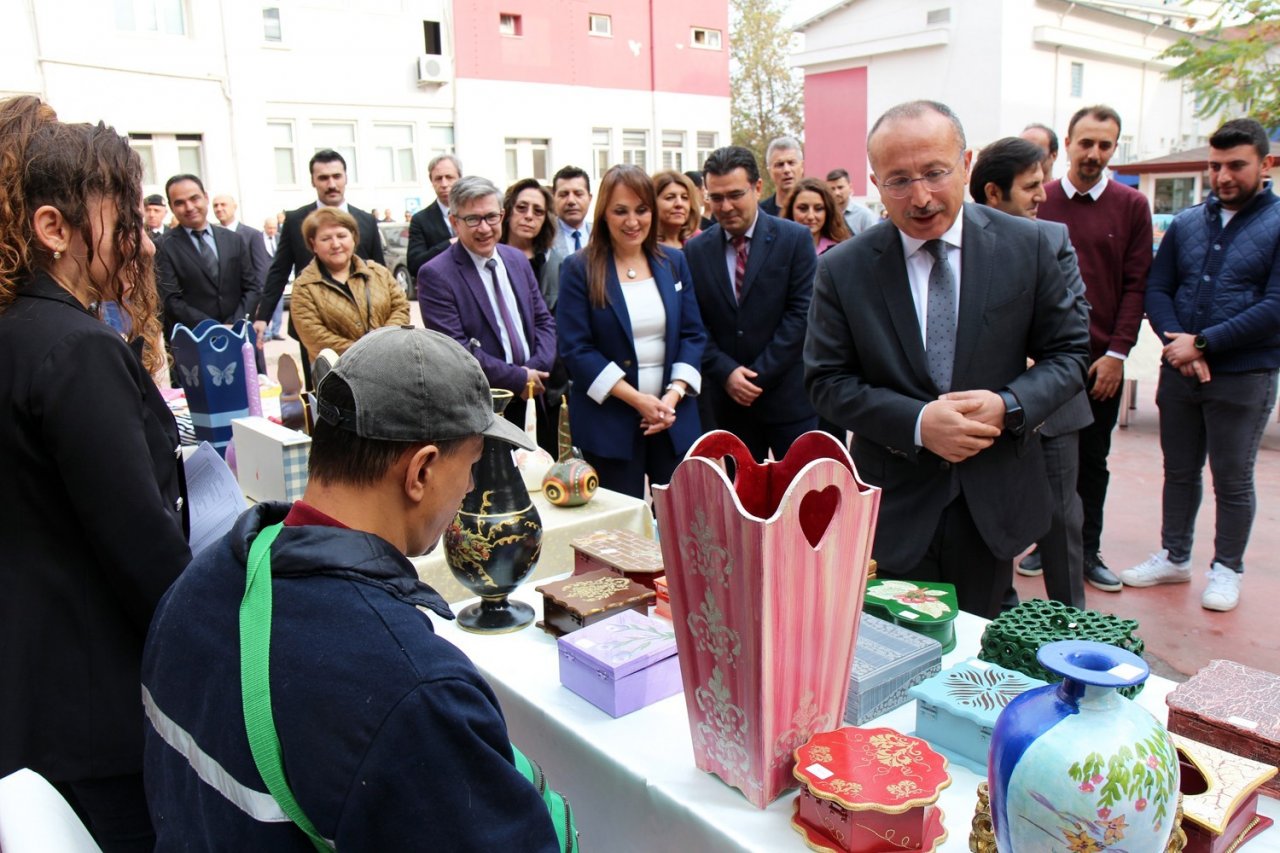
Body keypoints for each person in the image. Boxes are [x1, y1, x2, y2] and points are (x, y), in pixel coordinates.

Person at [142, 327, 565, 851]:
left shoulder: (193, 587)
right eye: (472, 466)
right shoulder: (414, 689)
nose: (472, 488)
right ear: (422, 470)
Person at [804, 100, 1090, 618]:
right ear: (875, 180)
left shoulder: (1030, 246)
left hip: (992, 497)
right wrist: (916, 422)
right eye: (898, 181)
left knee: (980, 661)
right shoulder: (843, 269)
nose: (920, 197)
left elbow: (1069, 354)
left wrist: (1009, 405)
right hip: (894, 502)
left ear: (966, 163)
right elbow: (826, 381)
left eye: (935, 173)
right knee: (893, 654)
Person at [0, 95, 191, 852]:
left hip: (38, 695)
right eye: (128, 223)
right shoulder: (76, 349)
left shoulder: (21, 331)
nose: (144, 247)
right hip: (97, 713)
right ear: (54, 228)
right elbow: (140, 548)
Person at [1120, 118, 1280, 612]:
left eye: (1236, 165)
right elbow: (1157, 288)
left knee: (1232, 477)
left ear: (1266, 164)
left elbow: (1275, 304)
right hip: (1180, 371)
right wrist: (1179, 347)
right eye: (1215, 165)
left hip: (1244, 375)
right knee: (1180, 470)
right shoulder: (1188, 222)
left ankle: (1227, 568)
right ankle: (1174, 557)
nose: (1223, 176)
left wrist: (1204, 345)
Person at [970, 136, 1093, 609]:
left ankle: (1070, 624)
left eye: (1042, 183)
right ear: (993, 193)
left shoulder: (1053, 238)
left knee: (1062, 522)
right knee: (986, 521)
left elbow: (1074, 325)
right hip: (981, 411)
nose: (1043, 195)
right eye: (1030, 187)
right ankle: (1001, 616)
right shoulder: (958, 245)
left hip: (1052, 409)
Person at [1039, 105, 1152, 592]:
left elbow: (1136, 285)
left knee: (1092, 461)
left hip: (1100, 364)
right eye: (1086, 142)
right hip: (1042, 362)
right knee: (1039, 457)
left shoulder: (1131, 206)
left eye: (1104, 145)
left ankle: (1087, 549)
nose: (1094, 153)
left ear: (1114, 148)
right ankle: (1041, 542)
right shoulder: (1039, 201)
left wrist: (1118, 354)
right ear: (1068, 143)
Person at [557, 164, 706, 498]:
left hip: (672, 419)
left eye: (641, 210)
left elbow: (693, 334)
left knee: (681, 521)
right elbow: (575, 349)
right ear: (604, 214)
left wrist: (671, 398)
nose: (632, 221)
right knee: (619, 534)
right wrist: (639, 401)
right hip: (609, 423)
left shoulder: (674, 262)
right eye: (620, 211)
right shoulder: (578, 268)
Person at [684, 145, 818, 462]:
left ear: (757, 188)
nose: (726, 206)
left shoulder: (794, 239)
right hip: (728, 407)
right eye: (716, 198)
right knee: (738, 502)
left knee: (802, 499)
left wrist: (756, 376)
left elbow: (802, 314)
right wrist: (727, 372)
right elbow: (694, 323)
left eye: (735, 194)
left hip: (788, 399)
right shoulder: (696, 250)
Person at [419, 176, 558, 453]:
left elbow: (543, 321)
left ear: (502, 216)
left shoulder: (516, 259)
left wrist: (535, 370)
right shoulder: (436, 274)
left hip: (534, 398)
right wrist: (518, 378)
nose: (484, 228)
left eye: (491, 217)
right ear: (454, 221)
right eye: (473, 219)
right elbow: (457, 350)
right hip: (485, 410)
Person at [253, 150, 385, 386]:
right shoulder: (295, 220)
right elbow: (279, 270)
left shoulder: (366, 220)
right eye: (323, 178)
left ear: (346, 177)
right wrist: (263, 316)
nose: (331, 184)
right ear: (313, 181)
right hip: (316, 329)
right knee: (324, 394)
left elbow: (381, 275)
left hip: (368, 332)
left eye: (337, 176)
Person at [289, 207, 410, 363]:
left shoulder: (379, 273)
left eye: (341, 236)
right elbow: (314, 337)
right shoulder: (304, 286)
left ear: (353, 237)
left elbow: (400, 308)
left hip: (389, 366)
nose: (335, 244)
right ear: (313, 244)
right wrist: (365, 354)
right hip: (337, 378)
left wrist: (382, 345)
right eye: (326, 239)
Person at [156, 174, 263, 335]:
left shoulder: (233, 239)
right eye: (180, 203)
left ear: (206, 198)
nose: (189, 207)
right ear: (171, 207)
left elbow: (251, 287)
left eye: (194, 198)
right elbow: (171, 300)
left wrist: (236, 324)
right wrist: (214, 328)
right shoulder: (164, 246)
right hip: (194, 340)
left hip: (239, 335)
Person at [500, 177, 567, 312]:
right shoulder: (490, 257)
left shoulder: (556, 263)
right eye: (521, 208)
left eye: (538, 211)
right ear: (507, 212)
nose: (529, 216)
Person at [408, 153, 461, 277]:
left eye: (449, 177)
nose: (444, 184)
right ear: (431, 181)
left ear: (460, 178)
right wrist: (450, 244)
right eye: (438, 178)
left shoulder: (476, 213)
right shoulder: (420, 220)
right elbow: (415, 265)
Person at [211, 193, 271, 284]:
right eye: (215, 206)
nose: (219, 209)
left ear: (234, 207)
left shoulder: (252, 235)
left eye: (223, 205)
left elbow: (261, 270)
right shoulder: (211, 235)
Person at [783, 177, 851, 254]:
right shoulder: (778, 249)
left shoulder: (840, 250)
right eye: (803, 208)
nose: (810, 216)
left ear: (828, 211)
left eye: (818, 209)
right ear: (791, 210)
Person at [653, 169, 702, 249]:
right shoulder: (643, 247)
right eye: (670, 197)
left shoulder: (701, 243)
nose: (679, 204)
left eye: (684, 197)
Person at [552, 165, 593, 254]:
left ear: (589, 199)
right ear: (553, 199)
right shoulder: (543, 237)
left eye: (578, 194)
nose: (571, 201)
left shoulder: (603, 236)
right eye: (563, 194)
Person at [826, 168, 878, 237]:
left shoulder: (864, 215)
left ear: (850, 187)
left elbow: (874, 241)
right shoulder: (826, 214)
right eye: (832, 189)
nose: (836, 193)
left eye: (840, 187)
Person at [759, 136, 804, 216]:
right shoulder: (760, 213)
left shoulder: (815, 212)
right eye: (779, 165)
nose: (786, 170)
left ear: (802, 166)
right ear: (770, 171)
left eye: (791, 163)